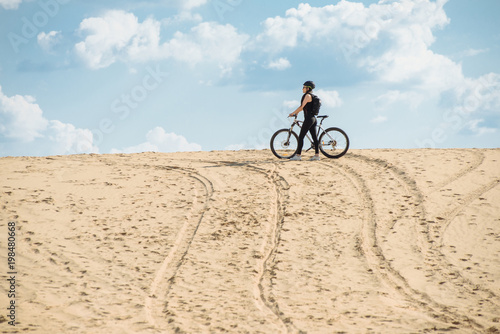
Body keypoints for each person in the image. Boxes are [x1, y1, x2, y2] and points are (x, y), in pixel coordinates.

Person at [288, 81, 320, 161]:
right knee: (314, 138)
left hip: (309, 119)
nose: (302, 88)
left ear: (308, 88)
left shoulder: (307, 96)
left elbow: (302, 107)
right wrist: (297, 113)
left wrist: (293, 113)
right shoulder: (311, 96)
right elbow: (304, 108)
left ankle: (298, 155)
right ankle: (317, 155)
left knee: (301, 137)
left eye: (304, 87)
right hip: (313, 119)